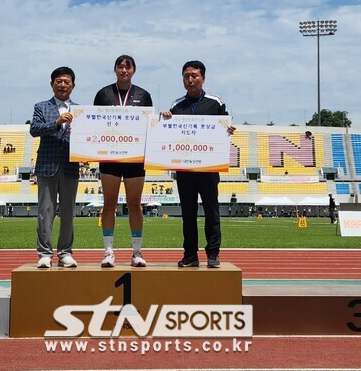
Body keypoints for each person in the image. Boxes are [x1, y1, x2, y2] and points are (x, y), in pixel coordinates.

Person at [161, 60, 236, 268]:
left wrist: (229, 130)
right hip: (184, 169)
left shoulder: (216, 103)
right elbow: (168, 133)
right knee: (188, 214)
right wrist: (165, 118)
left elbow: (225, 127)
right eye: (186, 76)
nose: (190, 79)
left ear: (203, 78)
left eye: (194, 75)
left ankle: (213, 254)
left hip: (208, 168)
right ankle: (190, 255)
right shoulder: (176, 106)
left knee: (211, 211)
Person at [94, 54, 153, 267]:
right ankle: (108, 251)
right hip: (109, 158)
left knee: (135, 204)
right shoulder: (103, 94)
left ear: (134, 70)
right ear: (115, 69)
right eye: (120, 67)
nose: (124, 71)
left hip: (135, 159)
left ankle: (137, 252)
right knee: (109, 203)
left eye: (128, 67)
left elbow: (150, 125)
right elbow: (94, 124)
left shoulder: (143, 95)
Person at [29, 66, 80, 268]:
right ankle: (44, 254)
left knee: (68, 212)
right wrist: (56, 122)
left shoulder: (80, 110)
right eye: (58, 81)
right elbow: (34, 129)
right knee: (45, 211)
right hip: (47, 165)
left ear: (73, 86)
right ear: (52, 84)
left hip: (70, 166)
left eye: (67, 81)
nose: (62, 85)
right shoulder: (41, 107)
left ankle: (66, 253)